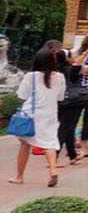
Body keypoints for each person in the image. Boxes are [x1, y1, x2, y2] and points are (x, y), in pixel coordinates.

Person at [9, 45, 65, 186]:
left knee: (25, 145)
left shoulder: (30, 76)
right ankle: (53, 170)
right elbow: (60, 98)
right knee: (49, 143)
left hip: (31, 115)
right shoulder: (60, 77)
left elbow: (22, 95)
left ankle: (19, 176)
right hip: (50, 114)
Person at [54, 47, 86, 167]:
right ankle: (54, 157)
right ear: (68, 58)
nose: (74, 57)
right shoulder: (73, 69)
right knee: (64, 128)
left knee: (69, 127)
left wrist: (86, 52)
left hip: (59, 102)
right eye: (72, 55)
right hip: (72, 101)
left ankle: (72, 154)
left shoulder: (56, 70)